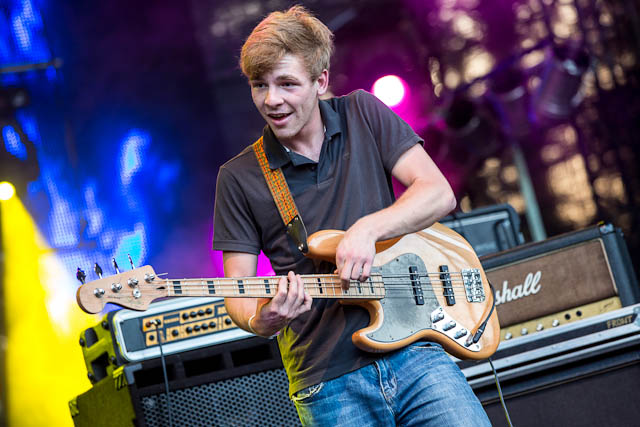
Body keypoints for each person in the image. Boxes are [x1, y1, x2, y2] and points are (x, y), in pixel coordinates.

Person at [212, 5, 491, 426]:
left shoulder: (363, 112)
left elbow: (437, 193)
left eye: (286, 83)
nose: (272, 100)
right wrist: (261, 318)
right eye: (259, 85)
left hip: (417, 355)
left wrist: (367, 229)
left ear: (320, 80)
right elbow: (238, 291)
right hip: (326, 384)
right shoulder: (238, 177)